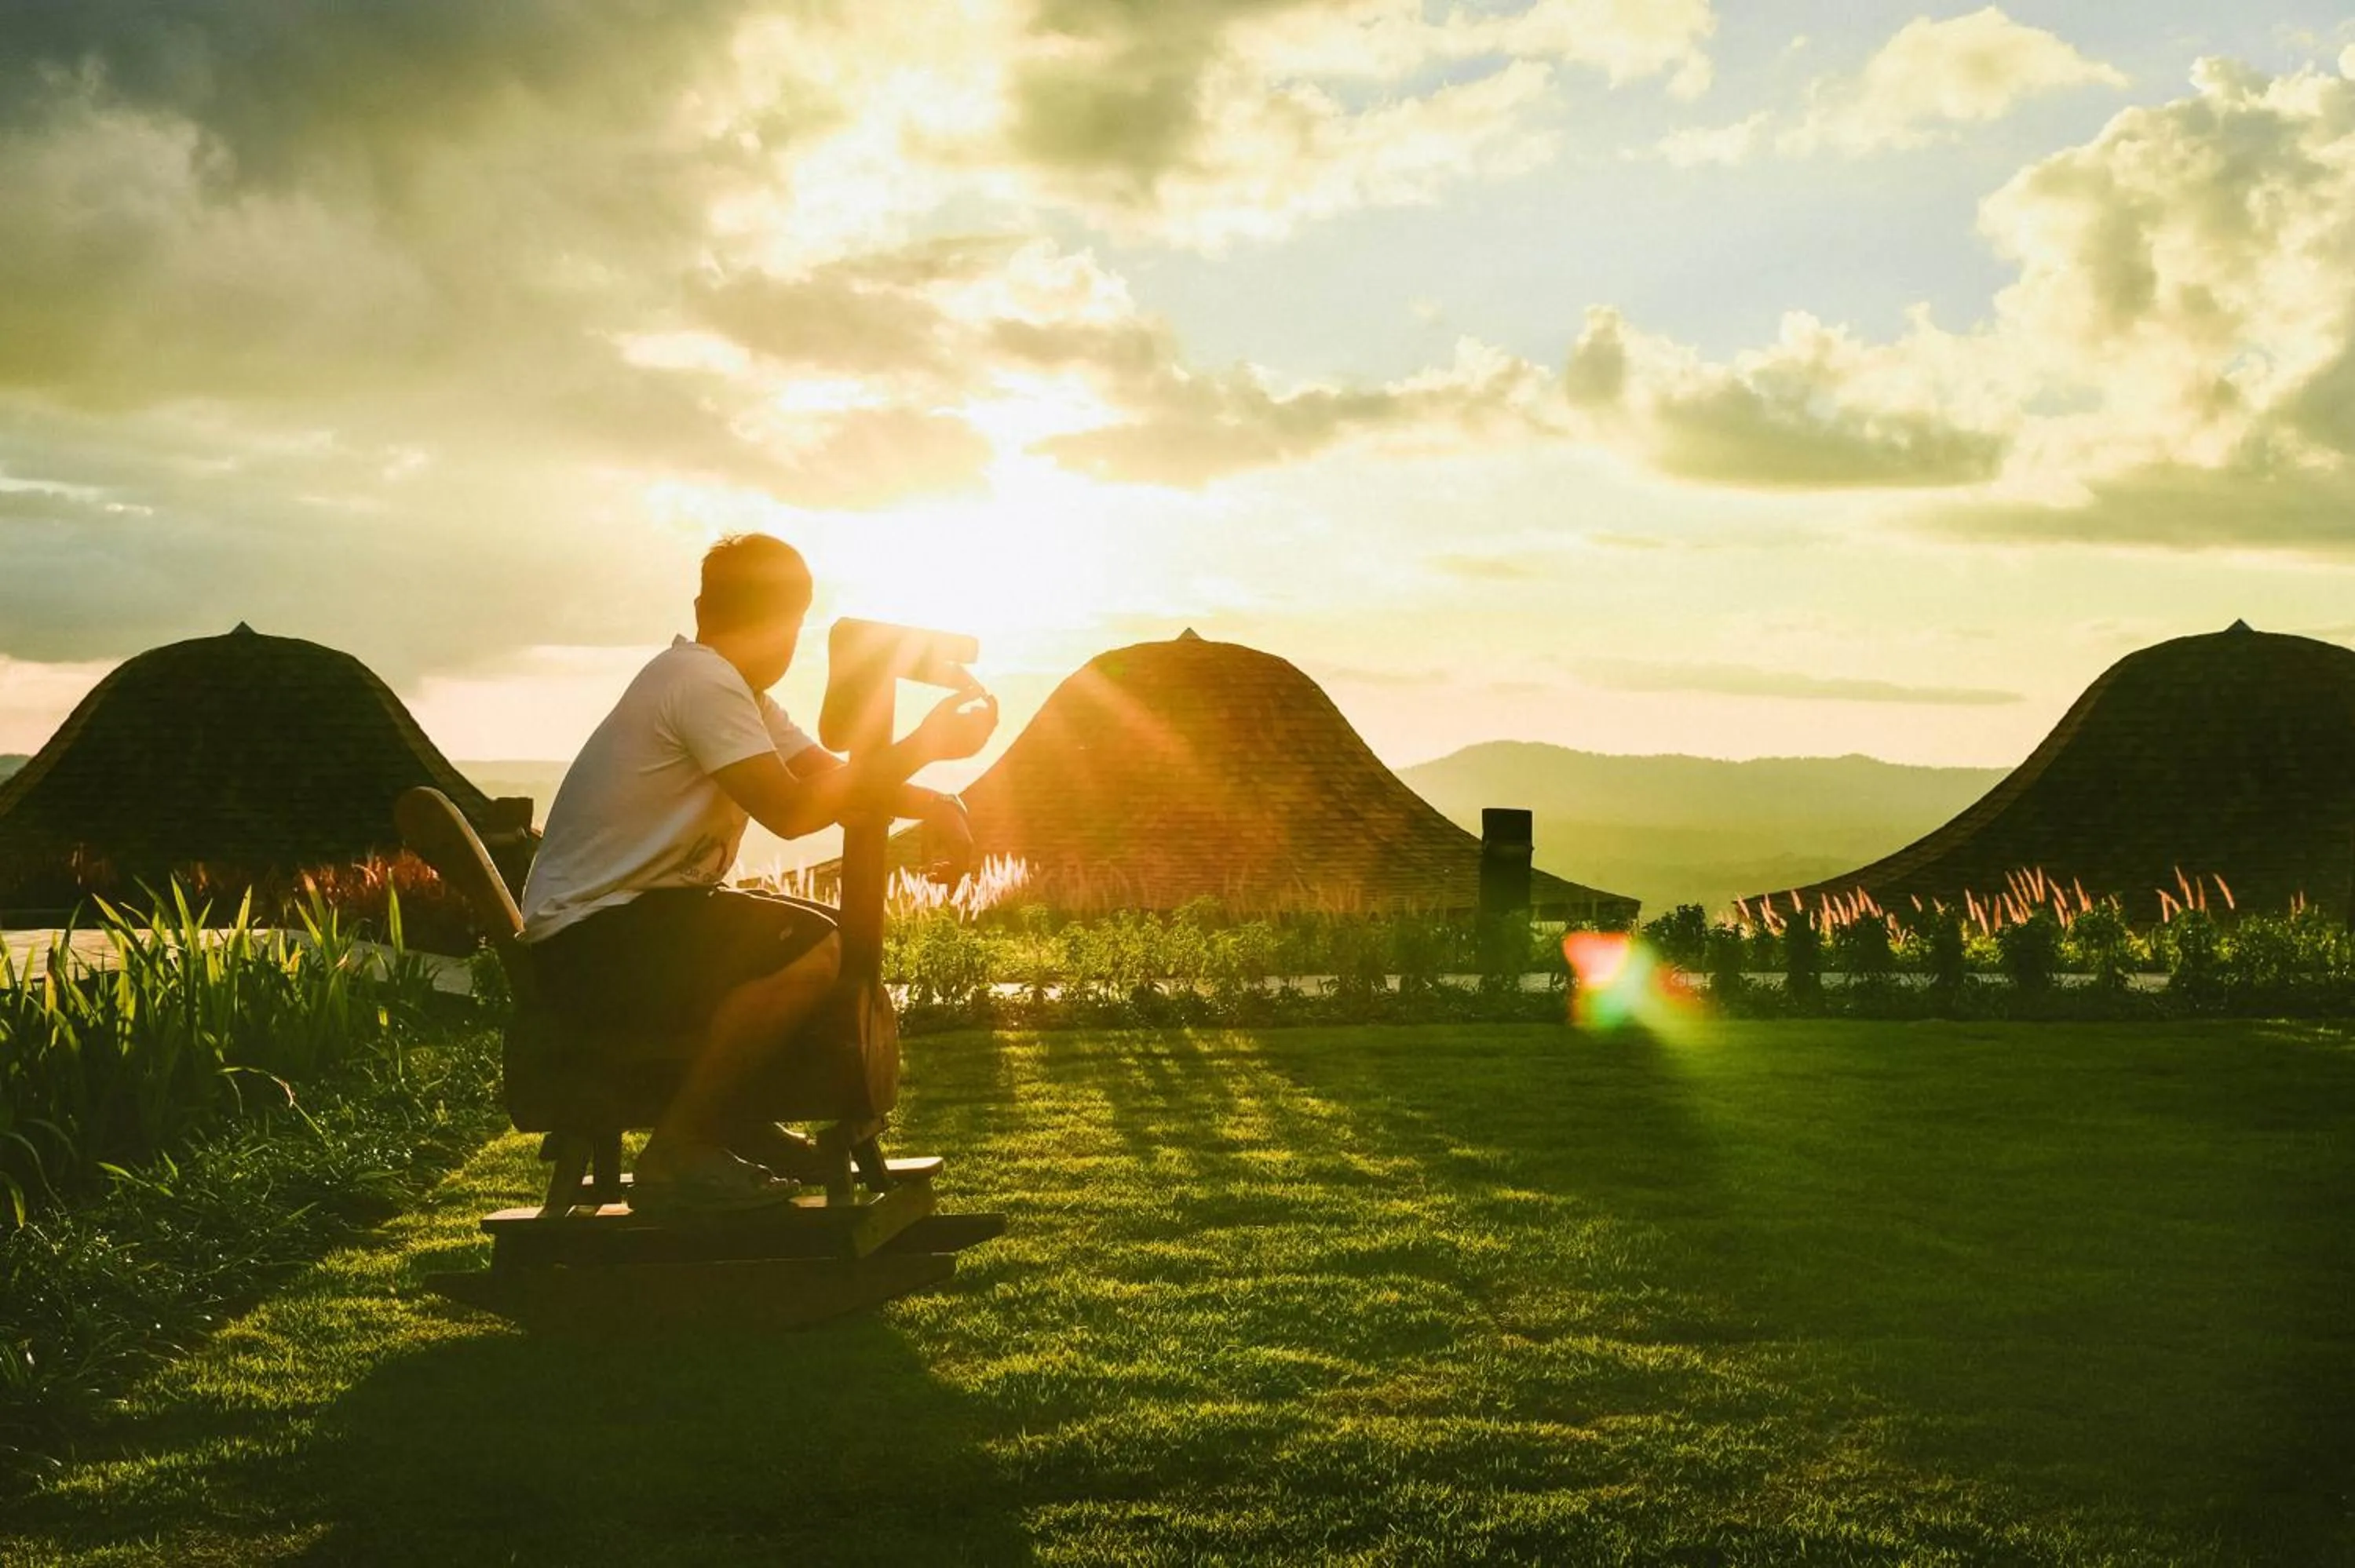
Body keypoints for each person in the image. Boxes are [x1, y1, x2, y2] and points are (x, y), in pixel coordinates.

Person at [517, 533, 996, 1214]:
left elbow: (830, 776)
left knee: (810, 935)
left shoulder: (730, 690)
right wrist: (926, 746)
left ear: (704, 603)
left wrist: (932, 800)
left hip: (612, 932)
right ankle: (680, 1145)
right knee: (809, 949)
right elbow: (794, 811)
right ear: (783, 624)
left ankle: (736, 1121)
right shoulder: (701, 684)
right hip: (595, 944)